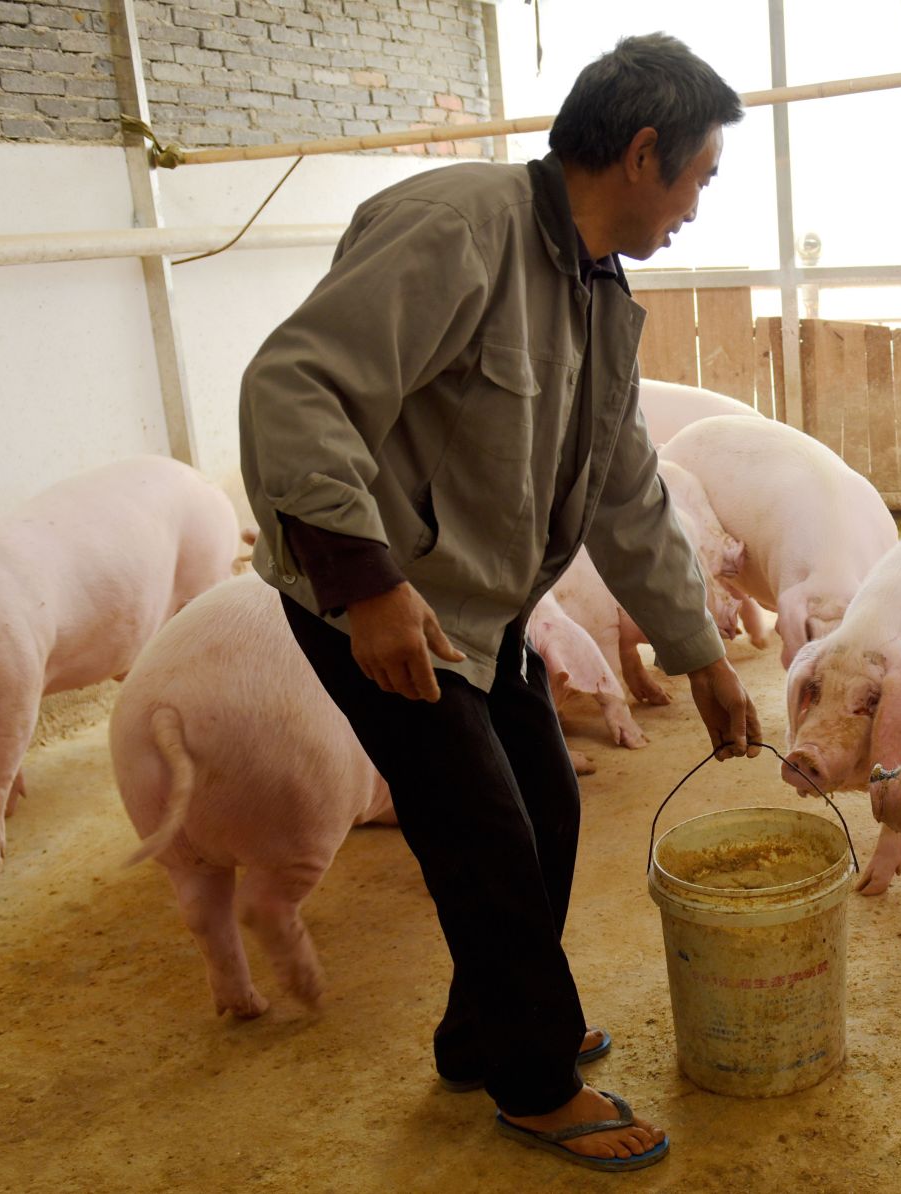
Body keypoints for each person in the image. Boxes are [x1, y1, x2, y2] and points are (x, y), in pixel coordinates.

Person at [238, 33, 758, 1174]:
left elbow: (623, 486)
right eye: (700, 176)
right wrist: (368, 586)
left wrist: (703, 657)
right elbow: (293, 388)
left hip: (481, 611)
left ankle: (485, 1029)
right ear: (642, 154)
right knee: (485, 837)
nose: (696, 205)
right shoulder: (456, 227)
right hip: (373, 602)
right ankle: (534, 1083)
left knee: (548, 809)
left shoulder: (596, 290)